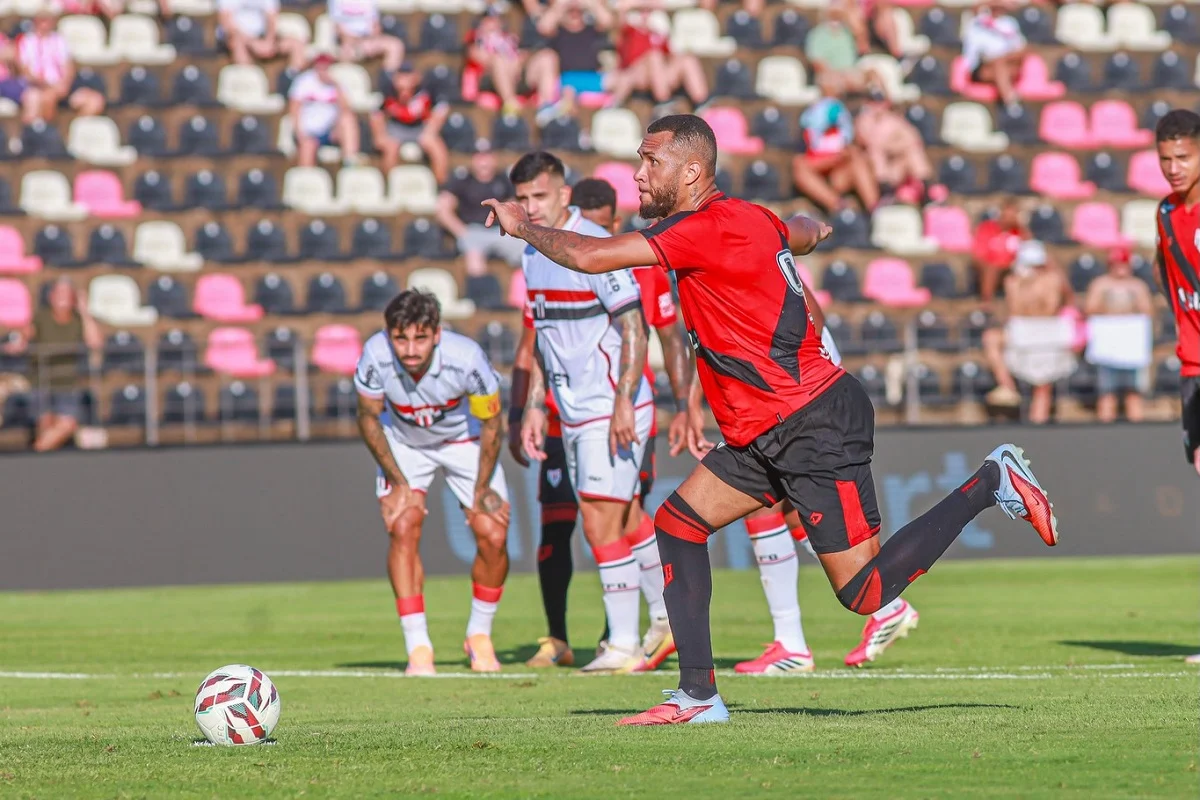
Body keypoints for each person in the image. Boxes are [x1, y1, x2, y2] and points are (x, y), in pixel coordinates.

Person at [482, 114, 1059, 725]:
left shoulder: (701, 229)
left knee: (862, 592)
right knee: (677, 524)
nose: (638, 174)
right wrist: (810, 233)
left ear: (692, 171)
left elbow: (593, 255)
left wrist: (525, 228)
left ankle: (990, 482)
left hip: (808, 421)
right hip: (764, 429)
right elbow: (798, 232)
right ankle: (698, 697)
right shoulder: (750, 218)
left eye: (651, 162)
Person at [512, 177, 691, 672]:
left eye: (539, 197)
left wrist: (636, 403)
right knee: (628, 516)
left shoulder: (607, 254)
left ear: (563, 195)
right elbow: (540, 338)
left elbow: (652, 331)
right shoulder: (532, 254)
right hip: (571, 411)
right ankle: (666, 618)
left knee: (599, 518)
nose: (531, 207)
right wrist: (533, 405)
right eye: (523, 199)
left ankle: (623, 642)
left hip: (616, 407)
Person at [733, 278, 920, 674]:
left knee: (769, 506)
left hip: (801, 393)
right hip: (794, 387)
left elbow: (807, 315)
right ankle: (802, 639)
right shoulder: (749, 251)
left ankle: (802, 640)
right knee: (778, 510)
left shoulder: (741, 253)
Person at [354, 290, 510, 675]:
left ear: (437, 334)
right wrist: (398, 483)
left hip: (464, 440)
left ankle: (479, 635)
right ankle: (418, 646)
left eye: (420, 338)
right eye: (400, 338)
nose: (409, 349)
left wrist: (483, 487)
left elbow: (491, 421)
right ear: (388, 335)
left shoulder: (467, 358)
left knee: (492, 532)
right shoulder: (374, 356)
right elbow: (368, 418)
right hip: (404, 443)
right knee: (403, 525)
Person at [1155, 111, 1200, 665]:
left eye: (1184, 157)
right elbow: (1168, 276)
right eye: (1165, 158)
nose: (1173, 168)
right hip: (1193, 369)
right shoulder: (1166, 213)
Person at [982, 240, 1076, 423]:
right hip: (1022, 330)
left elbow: (1055, 305)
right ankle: (1007, 386)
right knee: (991, 339)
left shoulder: (1053, 280)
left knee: (1043, 385)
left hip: (1047, 330)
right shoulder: (1013, 281)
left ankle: (1037, 423)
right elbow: (1015, 310)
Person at [3, 278, 101, 452]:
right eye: (59, 294)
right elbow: (25, 336)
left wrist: (85, 311)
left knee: (67, 424)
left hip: (67, 384)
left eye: (66, 295)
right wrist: (18, 344)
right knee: (45, 423)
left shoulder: (79, 320)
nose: (62, 299)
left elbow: (95, 342)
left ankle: (36, 451)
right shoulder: (41, 317)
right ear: (51, 296)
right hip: (41, 383)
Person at [435, 139, 526, 277]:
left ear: (494, 158)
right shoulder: (462, 179)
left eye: (487, 156)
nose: (483, 161)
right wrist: (461, 231)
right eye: (479, 157)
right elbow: (443, 207)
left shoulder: (504, 179)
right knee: (473, 258)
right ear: (472, 159)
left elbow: (516, 205)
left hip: (500, 232)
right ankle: (481, 294)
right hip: (472, 231)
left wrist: (511, 227)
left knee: (524, 252)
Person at [1083, 246, 1154, 423]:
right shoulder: (1101, 284)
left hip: (1131, 345)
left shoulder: (1138, 286)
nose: (1120, 268)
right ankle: (1105, 428)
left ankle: (1137, 428)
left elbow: (1148, 311)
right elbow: (1090, 309)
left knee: (1134, 392)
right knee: (1107, 392)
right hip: (1108, 344)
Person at [791, 73, 880, 214]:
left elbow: (851, 148)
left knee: (857, 160)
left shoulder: (847, 113)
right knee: (799, 165)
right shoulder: (810, 115)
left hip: (839, 174)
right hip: (819, 169)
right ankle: (837, 206)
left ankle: (875, 210)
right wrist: (833, 159)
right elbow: (808, 152)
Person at [16, 5, 106, 122]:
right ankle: (44, 132)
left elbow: (68, 66)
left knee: (95, 101)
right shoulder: (27, 42)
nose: (45, 24)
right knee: (43, 99)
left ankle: (75, 130)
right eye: (42, 20)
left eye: (48, 20)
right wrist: (48, 86)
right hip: (38, 87)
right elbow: (25, 71)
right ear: (36, 22)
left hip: (61, 86)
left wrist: (64, 85)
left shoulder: (60, 41)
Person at [464, 10, 559, 120]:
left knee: (548, 56)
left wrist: (520, 60)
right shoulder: (476, 39)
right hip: (492, 79)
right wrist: (509, 61)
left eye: (495, 19)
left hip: (518, 75)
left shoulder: (510, 38)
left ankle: (546, 106)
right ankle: (511, 105)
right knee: (498, 60)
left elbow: (522, 54)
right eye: (488, 20)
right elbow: (476, 55)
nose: (492, 22)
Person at [855, 89, 943, 207]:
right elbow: (867, 143)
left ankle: (926, 187)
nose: (876, 105)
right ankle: (885, 191)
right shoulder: (863, 120)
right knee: (876, 152)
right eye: (872, 101)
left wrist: (893, 147)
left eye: (879, 101)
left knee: (913, 152)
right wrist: (892, 146)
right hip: (873, 167)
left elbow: (912, 139)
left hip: (894, 164)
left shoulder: (894, 120)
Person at [370, 61, 450, 181]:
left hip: (420, 127)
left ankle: (441, 184)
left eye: (407, 75)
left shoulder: (426, 89)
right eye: (401, 75)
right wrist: (380, 136)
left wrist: (430, 131)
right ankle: (388, 184)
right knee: (390, 148)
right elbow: (376, 113)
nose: (404, 79)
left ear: (416, 76)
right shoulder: (388, 90)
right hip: (396, 128)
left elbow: (442, 108)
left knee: (436, 146)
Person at [288, 52, 361, 167]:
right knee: (308, 145)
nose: (323, 70)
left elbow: (346, 108)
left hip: (329, 130)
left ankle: (350, 162)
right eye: (320, 66)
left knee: (348, 120)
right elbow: (294, 108)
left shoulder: (337, 84)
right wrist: (299, 133)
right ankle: (307, 177)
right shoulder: (304, 81)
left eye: (326, 67)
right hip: (309, 131)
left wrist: (336, 86)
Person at [961, 0, 1026, 112]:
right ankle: (1011, 102)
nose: (998, 9)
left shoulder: (1009, 22)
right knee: (998, 64)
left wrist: (1003, 57)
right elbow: (979, 54)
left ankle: (1010, 102)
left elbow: (1020, 49)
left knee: (1001, 64)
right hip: (981, 67)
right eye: (995, 6)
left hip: (1006, 63)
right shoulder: (977, 22)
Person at [216, 0, 306, 72]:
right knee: (237, 43)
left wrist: (269, 41)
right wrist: (251, 42)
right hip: (237, 37)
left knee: (296, 44)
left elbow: (272, 18)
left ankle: (291, 78)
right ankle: (249, 79)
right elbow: (226, 23)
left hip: (261, 36)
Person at [971, 199, 1028, 304]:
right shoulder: (987, 228)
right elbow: (979, 254)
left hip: (1012, 266)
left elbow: (1030, 249)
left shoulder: (1019, 231)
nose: (1009, 218)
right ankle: (986, 303)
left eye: (1013, 214)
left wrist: (1021, 228)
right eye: (1007, 214)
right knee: (991, 268)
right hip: (990, 265)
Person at [329, 0, 405, 73]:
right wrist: (357, 43)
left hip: (368, 39)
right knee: (345, 54)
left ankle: (387, 79)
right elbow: (338, 27)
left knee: (395, 46)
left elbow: (375, 24)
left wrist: (372, 41)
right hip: (348, 42)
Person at [0, 31, 38, 124]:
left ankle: (30, 133)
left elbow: (12, 56)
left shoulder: (2, 37)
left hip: (6, 81)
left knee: (33, 96)